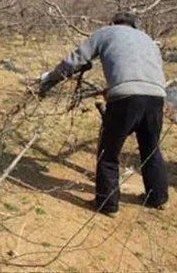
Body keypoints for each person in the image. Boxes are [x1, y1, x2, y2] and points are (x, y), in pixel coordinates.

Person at [37, 11, 169, 217]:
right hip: (156, 97)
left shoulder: (106, 32)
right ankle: (158, 198)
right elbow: (143, 69)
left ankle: (108, 205)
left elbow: (75, 60)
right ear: (134, 25)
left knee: (109, 153)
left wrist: (49, 79)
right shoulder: (148, 40)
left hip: (125, 97)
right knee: (151, 149)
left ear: (112, 22)